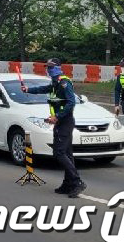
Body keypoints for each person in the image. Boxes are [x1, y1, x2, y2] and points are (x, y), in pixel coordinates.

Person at [21, 58, 86, 198]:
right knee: (67, 154)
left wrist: (57, 116)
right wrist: (28, 90)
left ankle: (77, 182)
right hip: (60, 122)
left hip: (65, 121)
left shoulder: (64, 83)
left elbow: (71, 103)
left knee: (59, 153)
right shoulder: (54, 83)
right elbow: (42, 89)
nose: (49, 70)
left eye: (51, 67)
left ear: (59, 68)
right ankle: (68, 184)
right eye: (47, 67)